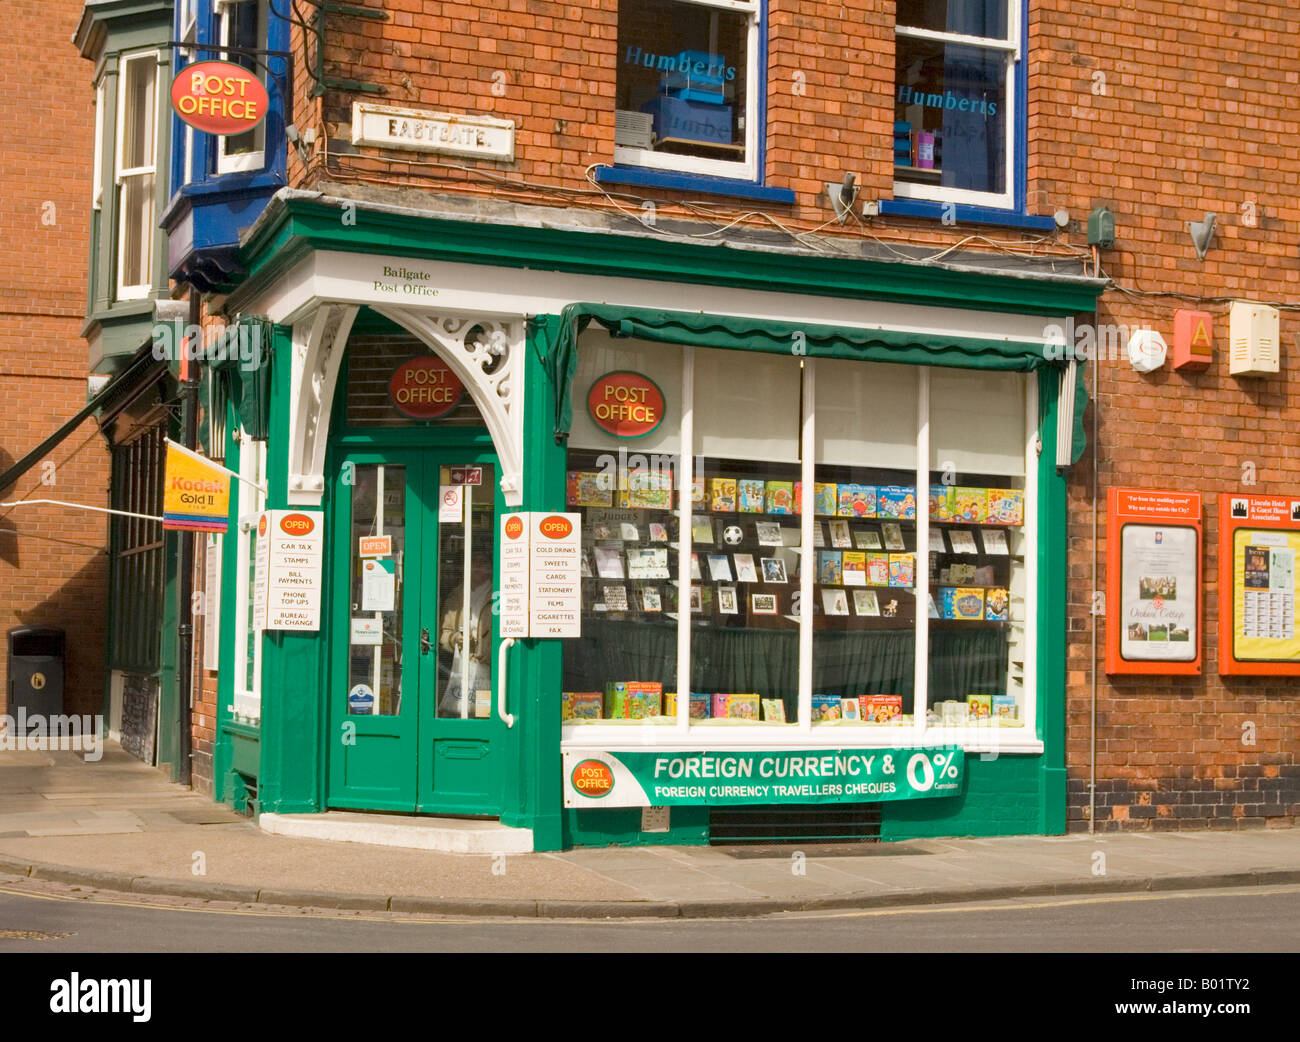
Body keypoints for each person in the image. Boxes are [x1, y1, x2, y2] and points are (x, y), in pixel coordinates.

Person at [438, 553, 493, 717]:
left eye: (483, 562)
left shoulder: (499, 595)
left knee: (485, 713)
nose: (478, 566)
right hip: (461, 664)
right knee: (460, 709)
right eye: (474, 562)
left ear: (491, 568)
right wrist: (455, 639)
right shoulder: (456, 595)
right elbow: (443, 633)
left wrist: (489, 652)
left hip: (490, 666)